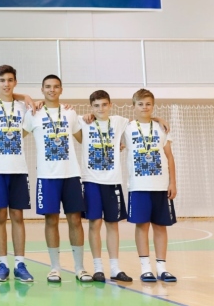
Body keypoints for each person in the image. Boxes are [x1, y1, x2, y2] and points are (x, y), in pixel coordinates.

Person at [23, 75, 91, 283]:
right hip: (47, 176)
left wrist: (90, 117)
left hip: (71, 174)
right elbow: (16, 136)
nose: (52, 90)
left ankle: (80, 268)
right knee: (50, 220)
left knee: (75, 220)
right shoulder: (33, 113)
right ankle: (55, 268)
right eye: (48, 87)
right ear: (42, 90)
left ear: (61, 89)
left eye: (55, 87)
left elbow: (83, 138)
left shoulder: (70, 112)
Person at [0, 65, 34, 282]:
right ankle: (2, 264)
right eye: (2, 80)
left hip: (18, 169)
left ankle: (20, 264)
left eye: (10, 80)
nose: (6, 84)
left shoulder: (24, 108)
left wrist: (25, 97)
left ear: (15, 82)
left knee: (18, 217)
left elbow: (28, 128)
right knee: (0, 217)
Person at [73, 90, 133, 283]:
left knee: (113, 224)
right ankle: (98, 268)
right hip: (91, 180)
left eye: (104, 104)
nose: (101, 109)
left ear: (110, 105)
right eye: (96, 105)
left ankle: (115, 268)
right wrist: (84, 116)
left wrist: (158, 118)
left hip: (112, 181)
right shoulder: (84, 122)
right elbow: (68, 120)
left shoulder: (118, 121)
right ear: (91, 107)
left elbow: (141, 121)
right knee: (94, 224)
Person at [122, 89, 177, 283]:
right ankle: (146, 268)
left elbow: (169, 157)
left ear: (153, 106)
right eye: (140, 104)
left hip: (161, 186)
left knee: (160, 226)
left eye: (148, 104)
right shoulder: (126, 128)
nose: (144, 107)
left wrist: (172, 182)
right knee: (142, 226)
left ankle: (162, 268)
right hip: (138, 186)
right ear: (133, 106)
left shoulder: (162, 128)